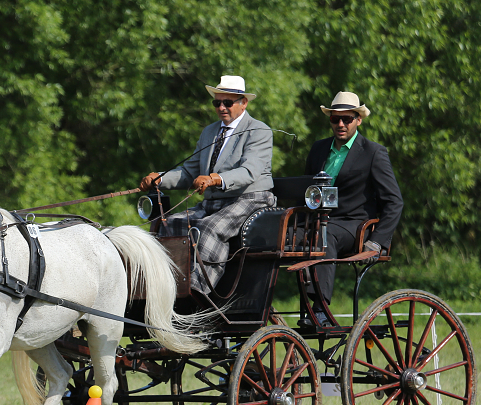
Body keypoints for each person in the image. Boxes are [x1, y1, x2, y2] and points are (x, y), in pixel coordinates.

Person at [139, 75, 274, 295]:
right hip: (215, 202)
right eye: (217, 102)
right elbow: (189, 172)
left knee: (209, 229)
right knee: (169, 225)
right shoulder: (210, 132)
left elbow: (250, 171)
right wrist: (160, 179)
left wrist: (214, 179)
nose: (221, 107)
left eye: (227, 102)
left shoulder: (258, 131)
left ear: (243, 103)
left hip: (250, 199)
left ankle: (198, 294)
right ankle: (165, 289)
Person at [303, 91, 403, 325]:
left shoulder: (373, 152)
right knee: (280, 237)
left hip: (355, 225)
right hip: (319, 221)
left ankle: (320, 309)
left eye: (346, 119)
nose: (340, 124)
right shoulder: (318, 149)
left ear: (358, 119)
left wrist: (378, 241)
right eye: (335, 119)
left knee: (323, 236)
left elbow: (394, 201)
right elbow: (305, 189)